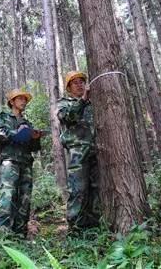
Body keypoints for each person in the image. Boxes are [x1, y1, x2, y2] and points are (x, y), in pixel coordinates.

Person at [0, 88, 44, 235]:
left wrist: (35, 137)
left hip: (26, 163)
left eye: (25, 99)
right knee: (8, 195)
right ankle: (2, 233)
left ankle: (20, 233)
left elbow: (34, 148)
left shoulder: (27, 122)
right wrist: (16, 133)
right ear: (12, 101)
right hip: (10, 161)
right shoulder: (3, 117)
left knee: (25, 198)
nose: (23, 102)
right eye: (20, 99)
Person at [57, 71, 99, 232]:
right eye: (75, 82)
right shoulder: (64, 103)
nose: (80, 84)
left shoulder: (91, 103)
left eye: (82, 81)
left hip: (95, 150)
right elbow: (67, 117)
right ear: (68, 88)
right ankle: (75, 230)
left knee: (96, 189)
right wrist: (82, 100)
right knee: (78, 189)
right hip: (77, 151)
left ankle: (93, 227)